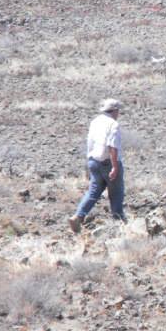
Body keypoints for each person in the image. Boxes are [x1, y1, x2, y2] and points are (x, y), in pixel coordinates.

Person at [69, 98, 126, 232]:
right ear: (115, 111)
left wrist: (89, 162)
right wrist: (115, 167)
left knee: (93, 191)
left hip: (94, 161)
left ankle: (78, 216)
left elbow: (90, 142)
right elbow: (112, 147)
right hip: (108, 162)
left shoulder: (95, 122)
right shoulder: (113, 124)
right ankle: (118, 223)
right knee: (116, 192)